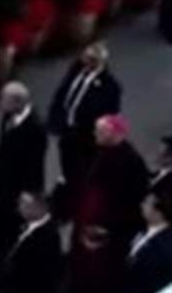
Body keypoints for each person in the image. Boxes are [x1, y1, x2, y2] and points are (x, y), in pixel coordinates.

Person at [67, 115, 148, 293]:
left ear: (114, 134)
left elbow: (128, 198)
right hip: (92, 216)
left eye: (100, 131)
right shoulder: (102, 152)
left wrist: (107, 225)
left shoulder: (129, 161)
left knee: (105, 266)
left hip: (112, 224)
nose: (95, 134)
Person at [49, 43, 122, 195]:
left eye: (92, 59)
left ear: (101, 62)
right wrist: (55, 121)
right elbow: (62, 94)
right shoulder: (75, 71)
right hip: (67, 131)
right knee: (67, 165)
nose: (87, 62)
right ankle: (69, 190)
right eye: (86, 57)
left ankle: (80, 196)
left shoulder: (110, 87)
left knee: (83, 172)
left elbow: (108, 116)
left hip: (85, 137)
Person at [0, 82, 47, 271]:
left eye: (3, 99)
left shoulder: (35, 128)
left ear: (17, 102)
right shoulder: (8, 116)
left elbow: (34, 165)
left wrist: (28, 192)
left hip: (20, 187)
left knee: (14, 226)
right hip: (4, 181)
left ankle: (11, 267)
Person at [124, 193, 172, 293]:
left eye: (146, 204)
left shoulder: (170, 241)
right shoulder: (142, 232)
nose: (142, 206)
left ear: (158, 211)